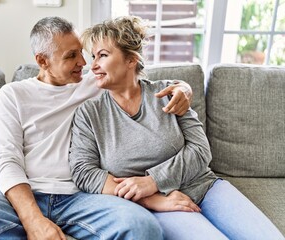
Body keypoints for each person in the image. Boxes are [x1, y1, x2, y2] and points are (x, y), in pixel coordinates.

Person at [0, 17, 194, 240]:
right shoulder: (13, 94)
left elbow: (137, 74)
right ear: (42, 61)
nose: (84, 63)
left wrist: (184, 88)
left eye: (82, 53)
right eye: (71, 56)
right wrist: (33, 220)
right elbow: (6, 160)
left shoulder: (94, 83)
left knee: (143, 229)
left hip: (80, 198)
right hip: (19, 196)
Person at [68, 16, 285, 240]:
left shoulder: (168, 93)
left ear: (131, 60)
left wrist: (152, 180)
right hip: (161, 203)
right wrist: (150, 197)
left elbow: (201, 151)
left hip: (206, 186)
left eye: (102, 55)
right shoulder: (90, 113)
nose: (92, 65)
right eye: (93, 56)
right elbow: (83, 171)